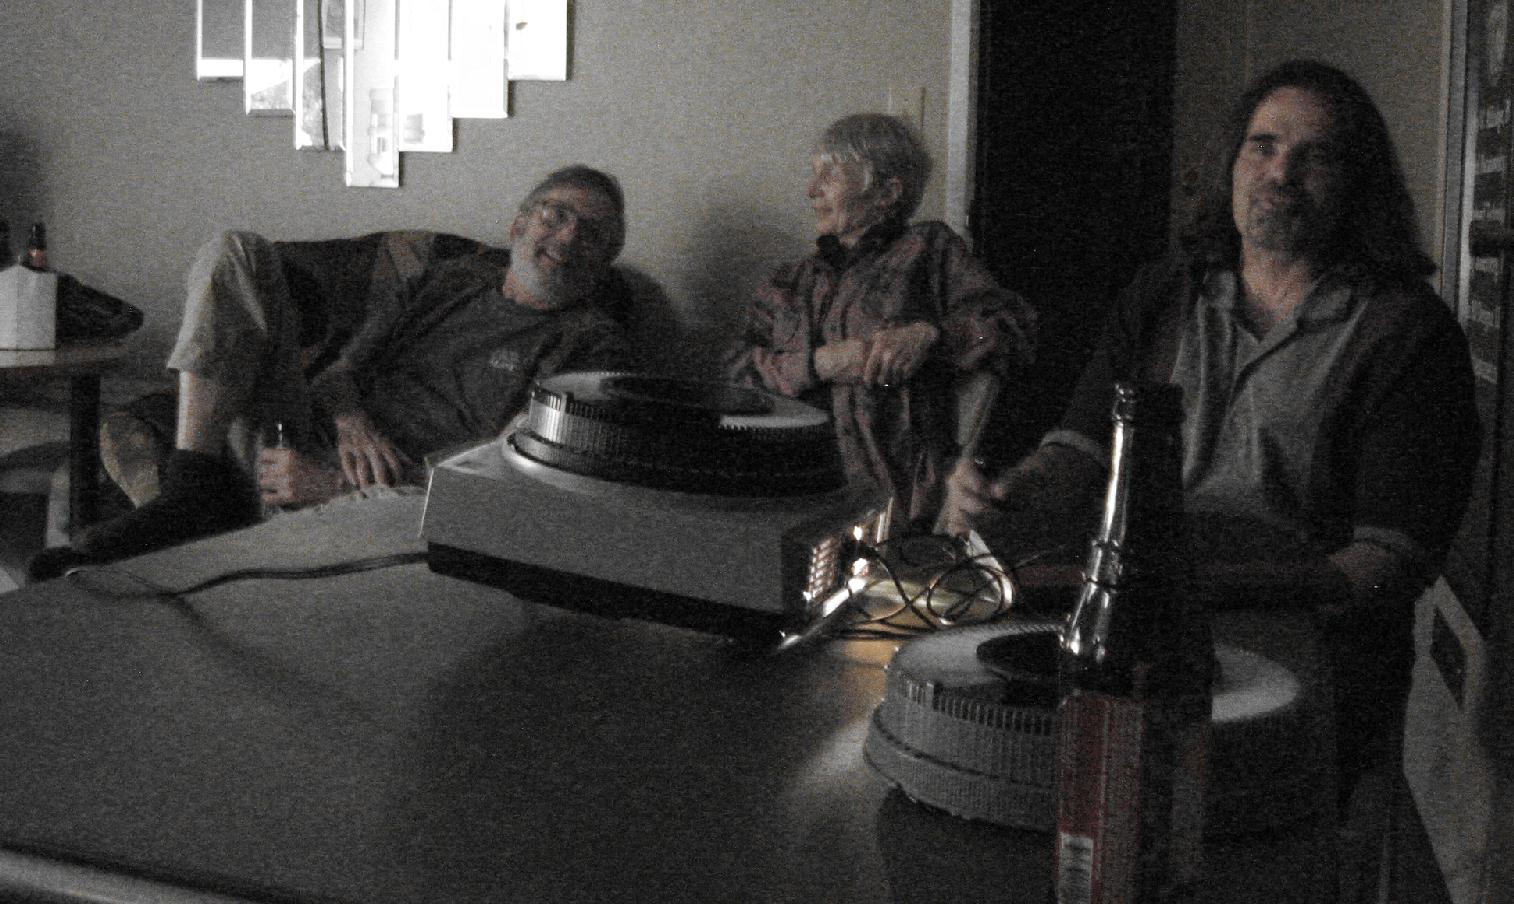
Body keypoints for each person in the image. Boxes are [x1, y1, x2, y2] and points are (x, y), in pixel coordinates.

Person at [943, 60, 1480, 807]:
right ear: (1231, 161)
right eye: (1263, 146)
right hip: (1135, 644)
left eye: (1315, 155)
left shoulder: (1408, 334)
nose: (1280, 173)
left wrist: (1214, 600)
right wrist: (1010, 490)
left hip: (1306, 668)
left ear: (1359, 183)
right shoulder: (1165, 293)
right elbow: (1079, 448)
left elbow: (1390, 559)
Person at [31, 165, 635, 578]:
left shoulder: (589, 347)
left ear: (604, 261)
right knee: (235, 250)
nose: (568, 237)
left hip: (391, 498)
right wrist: (349, 420)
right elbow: (337, 373)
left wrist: (337, 486)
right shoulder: (449, 282)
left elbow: (508, 476)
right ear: (519, 225)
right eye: (555, 215)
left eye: (592, 234)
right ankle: (194, 487)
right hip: (290, 437)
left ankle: (201, 516)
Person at [724, 113, 1035, 532]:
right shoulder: (790, 282)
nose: (811, 190)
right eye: (814, 175)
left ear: (887, 192)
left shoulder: (928, 251)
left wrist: (929, 335)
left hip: (897, 508)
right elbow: (734, 373)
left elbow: (1015, 326)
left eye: (831, 176)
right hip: (783, 498)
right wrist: (822, 364)